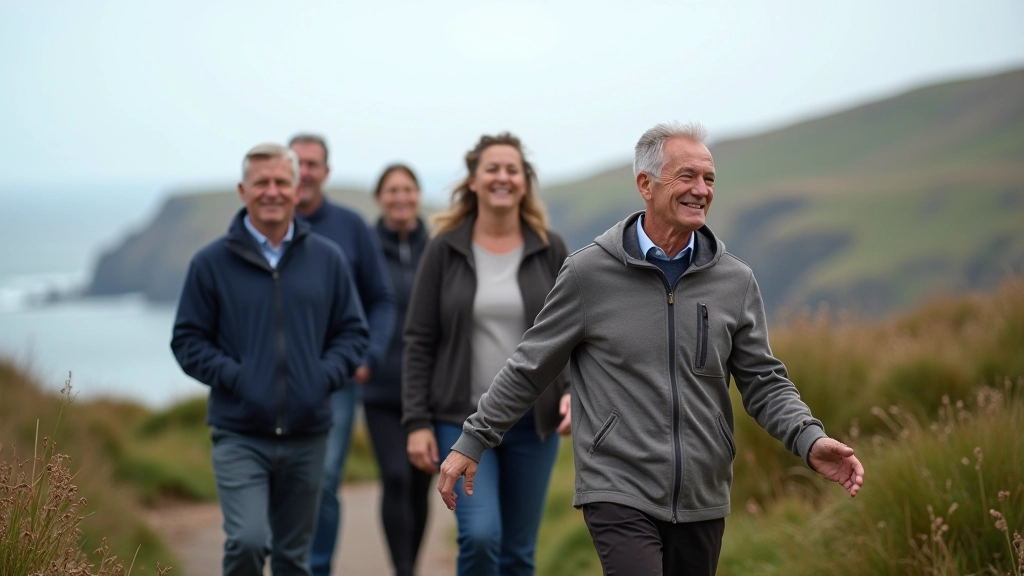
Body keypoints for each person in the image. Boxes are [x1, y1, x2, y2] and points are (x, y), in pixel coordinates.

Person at [436, 122, 866, 576]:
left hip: (703, 493)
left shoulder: (734, 281)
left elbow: (764, 381)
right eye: (688, 177)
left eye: (710, 179)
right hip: (617, 487)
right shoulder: (589, 273)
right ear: (646, 183)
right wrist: (474, 439)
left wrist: (809, 438)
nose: (701, 190)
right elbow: (530, 366)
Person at [171, 143, 369, 576]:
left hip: (308, 433)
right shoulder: (210, 264)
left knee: (293, 559)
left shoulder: (328, 260)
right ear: (244, 190)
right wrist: (238, 378)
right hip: (239, 432)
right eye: (262, 182)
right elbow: (187, 340)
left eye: (282, 182)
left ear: (298, 190)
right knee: (247, 541)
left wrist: (321, 377)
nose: (273, 191)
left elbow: (353, 333)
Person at [403, 133, 572, 576]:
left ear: (524, 181)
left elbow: (574, 333)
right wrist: (417, 422)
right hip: (459, 420)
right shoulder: (444, 249)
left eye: (511, 169)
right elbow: (419, 339)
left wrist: (572, 392)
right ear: (474, 181)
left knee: (518, 553)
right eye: (492, 169)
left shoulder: (550, 248)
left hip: (534, 422)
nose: (502, 177)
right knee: (479, 537)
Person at [288, 134, 398, 576]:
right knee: (281, 481)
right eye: (297, 163)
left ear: (326, 173)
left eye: (313, 164)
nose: (305, 171)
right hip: (270, 378)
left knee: (323, 481)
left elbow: (382, 298)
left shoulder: (351, 227)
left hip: (335, 378)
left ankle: (316, 568)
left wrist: (367, 356)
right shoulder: (266, 222)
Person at [362, 164, 433, 576]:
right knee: (395, 477)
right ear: (379, 198)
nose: (400, 197)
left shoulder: (437, 247)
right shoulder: (365, 248)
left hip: (427, 391)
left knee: (420, 483)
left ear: (418, 195)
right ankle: (402, 569)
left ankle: (412, 565)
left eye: (407, 189)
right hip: (380, 389)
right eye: (392, 190)